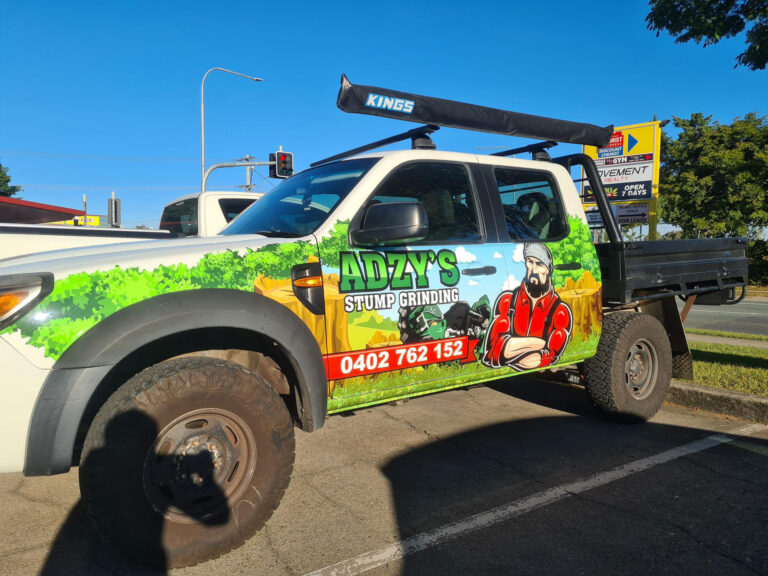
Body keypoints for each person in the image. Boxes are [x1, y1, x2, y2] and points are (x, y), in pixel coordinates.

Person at [482, 243, 572, 371]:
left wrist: (509, 348)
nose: (534, 270)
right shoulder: (508, 301)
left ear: (548, 269)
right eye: (530, 262)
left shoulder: (559, 311)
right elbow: (495, 349)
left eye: (540, 264)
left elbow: (547, 356)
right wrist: (537, 343)